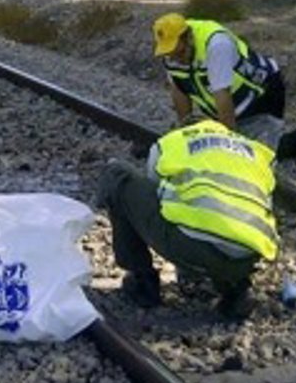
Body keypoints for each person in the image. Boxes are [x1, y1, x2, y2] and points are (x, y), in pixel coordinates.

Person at [96, 118, 279, 320]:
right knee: (232, 217)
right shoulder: (254, 151)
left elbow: (157, 199)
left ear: (184, 128)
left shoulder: (172, 143)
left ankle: (142, 283)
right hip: (248, 257)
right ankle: (236, 290)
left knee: (117, 176)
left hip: (194, 249)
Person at [152, 13, 296, 161]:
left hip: (262, 96)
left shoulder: (216, 45)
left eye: (179, 53)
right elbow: (179, 90)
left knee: (257, 160)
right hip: (230, 104)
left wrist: (228, 148)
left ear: (188, 38)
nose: (175, 58)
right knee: (228, 151)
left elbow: (223, 97)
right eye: (169, 54)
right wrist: (185, 134)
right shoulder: (170, 53)